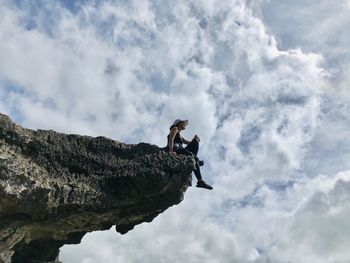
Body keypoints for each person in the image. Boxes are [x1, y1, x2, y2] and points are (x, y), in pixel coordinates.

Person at [167, 119, 213, 190]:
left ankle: (195, 161)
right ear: (178, 123)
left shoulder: (180, 136)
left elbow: (189, 143)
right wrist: (171, 150)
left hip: (181, 149)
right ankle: (200, 180)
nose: (184, 124)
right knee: (195, 159)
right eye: (183, 123)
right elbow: (171, 138)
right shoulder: (175, 128)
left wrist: (195, 139)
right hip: (177, 149)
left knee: (196, 142)